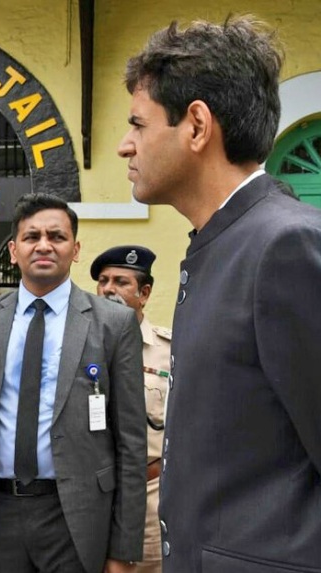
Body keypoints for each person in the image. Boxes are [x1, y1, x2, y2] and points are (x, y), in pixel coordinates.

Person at [119, 16, 321, 573]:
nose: (124, 145)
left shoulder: (284, 245)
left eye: (138, 124)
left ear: (197, 125)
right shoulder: (221, 243)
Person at [0, 192, 147, 573]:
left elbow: (131, 443)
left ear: (75, 249)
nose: (44, 245)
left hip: (75, 516)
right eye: (32, 237)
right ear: (13, 251)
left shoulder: (113, 325)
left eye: (57, 236)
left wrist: (124, 548)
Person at [91, 245, 170, 573]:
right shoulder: (79, 347)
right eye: (103, 281)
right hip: (91, 497)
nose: (108, 289)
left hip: (149, 497)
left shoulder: (169, 351)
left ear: (144, 293)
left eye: (121, 282)